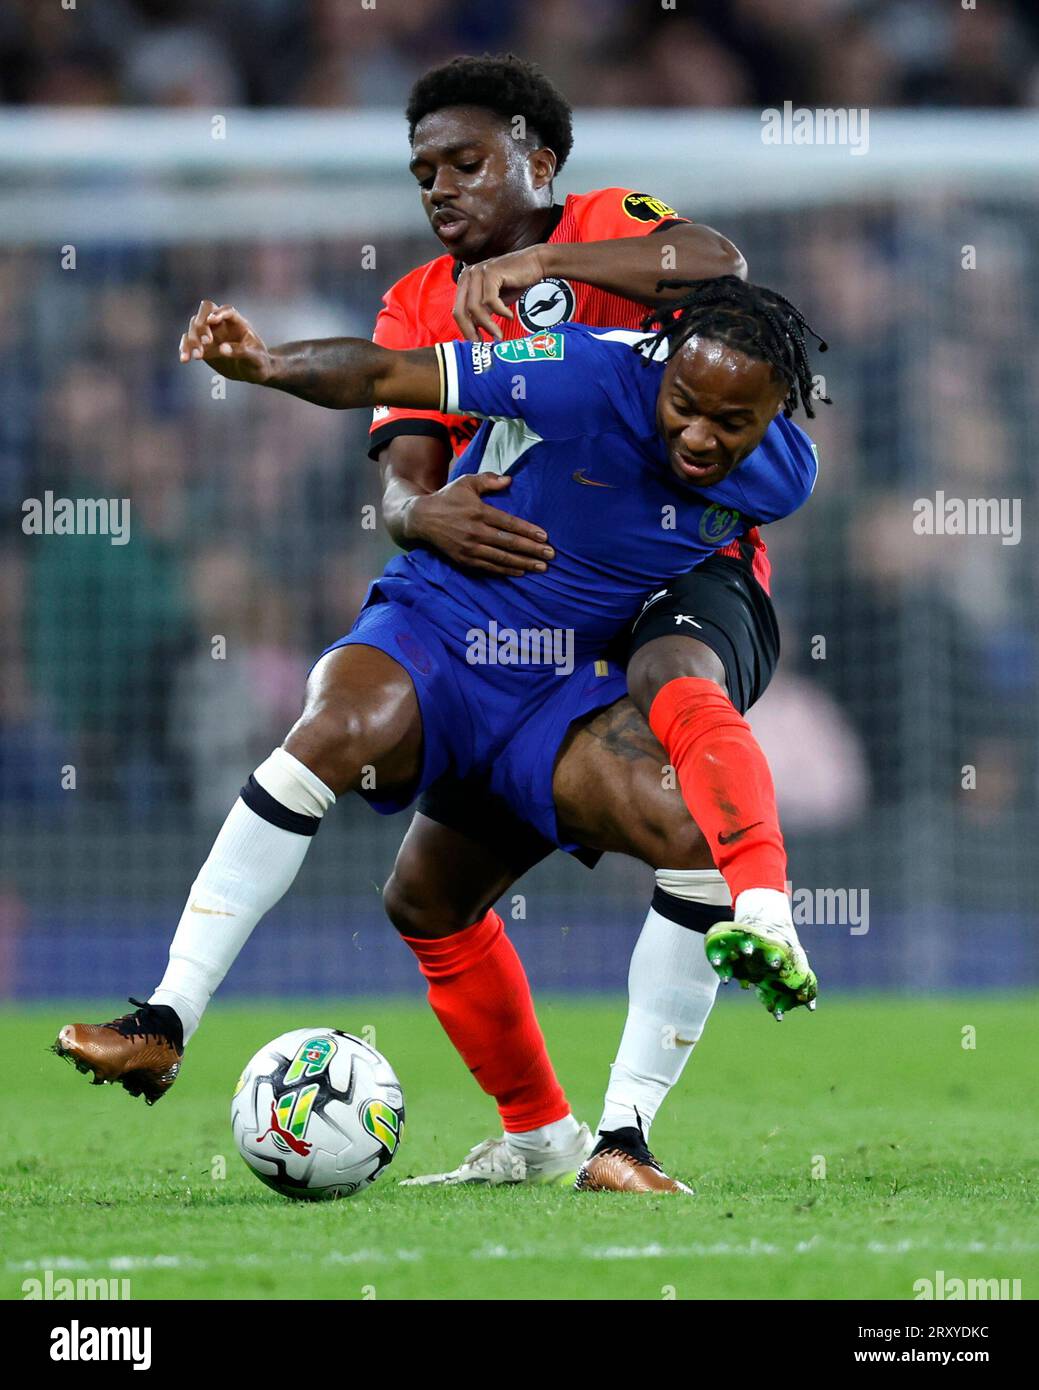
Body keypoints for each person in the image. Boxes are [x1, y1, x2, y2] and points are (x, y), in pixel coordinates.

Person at [56, 277, 822, 1195]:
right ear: (662, 372)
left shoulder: (786, 474)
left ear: (774, 411)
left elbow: (714, 275)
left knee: (650, 846)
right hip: (448, 628)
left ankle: (615, 1140)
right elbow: (387, 369)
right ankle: (164, 1021)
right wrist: (262, 367)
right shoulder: (581, 372)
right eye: (684, 406)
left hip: (566, 691)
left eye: (728, 422)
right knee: (333, 730)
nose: (698, 435)